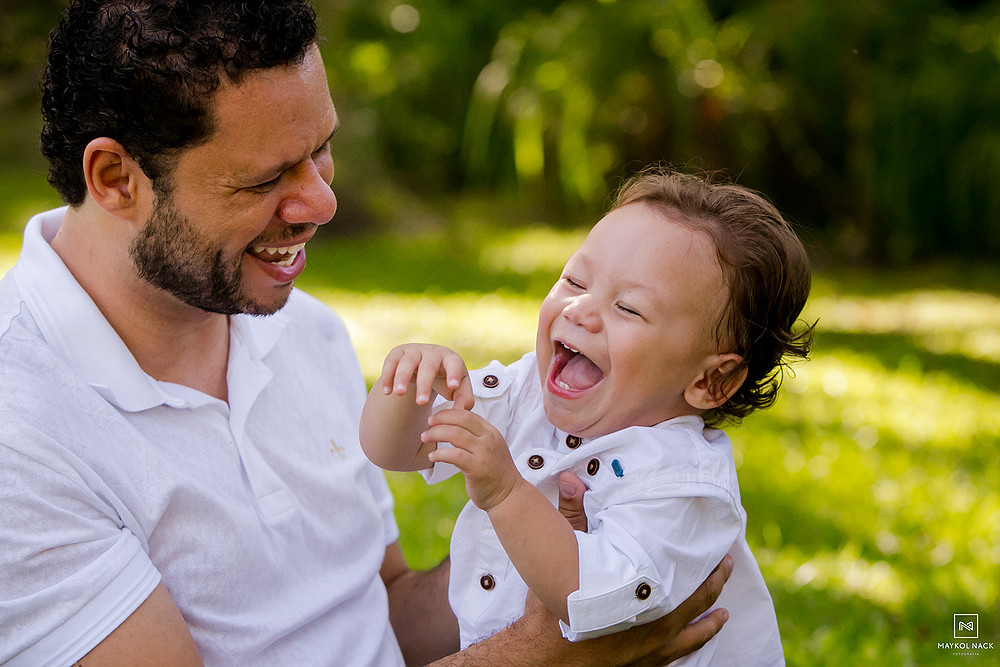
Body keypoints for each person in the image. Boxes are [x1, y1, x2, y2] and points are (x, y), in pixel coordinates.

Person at [0, 1, 732, 664]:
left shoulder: (299, 329)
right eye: (266, 179)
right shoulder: (21, 428)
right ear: (116, 178)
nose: (322, 200)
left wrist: (565, 556)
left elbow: (378, 613)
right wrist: (539, 655)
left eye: (320, 150)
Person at [361, 167, 814, 665]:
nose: (579, 308)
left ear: (711, 382)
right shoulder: (528, 394)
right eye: (575, 279)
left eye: (629, 308)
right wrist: (406, 388)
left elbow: (592, 605)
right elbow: (395, 450)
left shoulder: (684, 486)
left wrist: (507, 492)